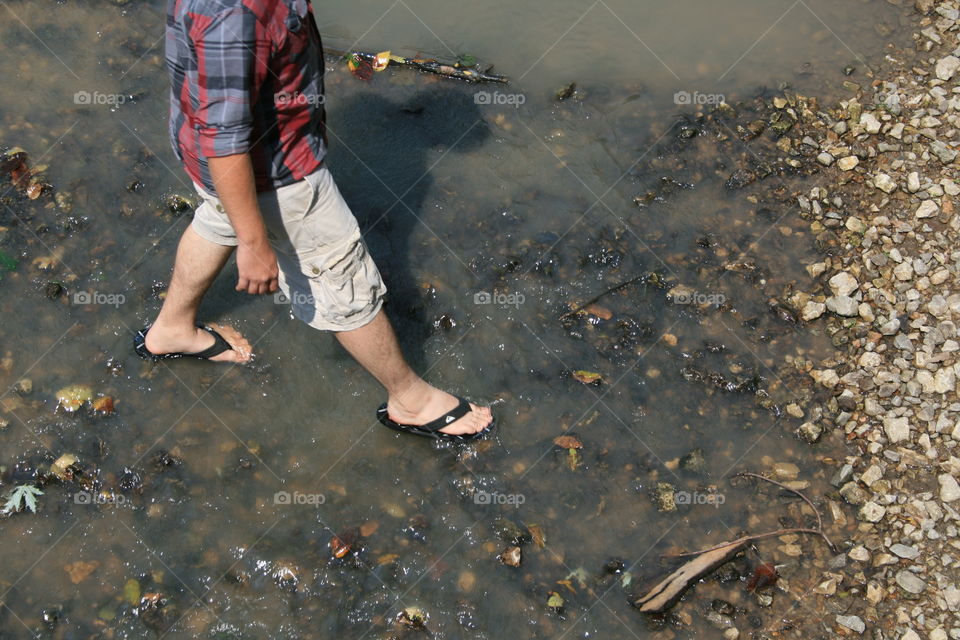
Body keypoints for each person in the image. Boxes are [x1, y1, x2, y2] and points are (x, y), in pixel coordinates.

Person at [134, 0, 494, 441]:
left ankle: (172, 329)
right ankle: (412, 401)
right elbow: (224, 141)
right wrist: (254, 242)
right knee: (342, 278)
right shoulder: (234, 16)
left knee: (219, 214)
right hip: (275, 175)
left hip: (213, 156)